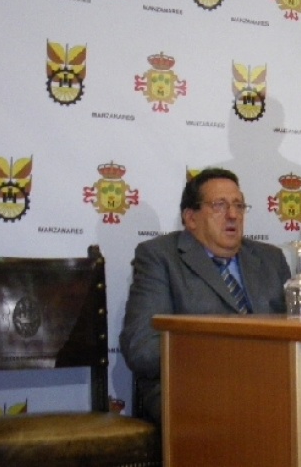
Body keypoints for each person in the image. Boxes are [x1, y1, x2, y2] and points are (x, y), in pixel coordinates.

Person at [121, 167, 291, 424]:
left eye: (238, 205)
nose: (233, 215)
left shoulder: (270, 259)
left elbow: (293, 329)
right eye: (219, 206)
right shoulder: (160, 257)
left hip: (266, 382)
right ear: (191, 218)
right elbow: (142, 349)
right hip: (190, 388)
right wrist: (226, 358)